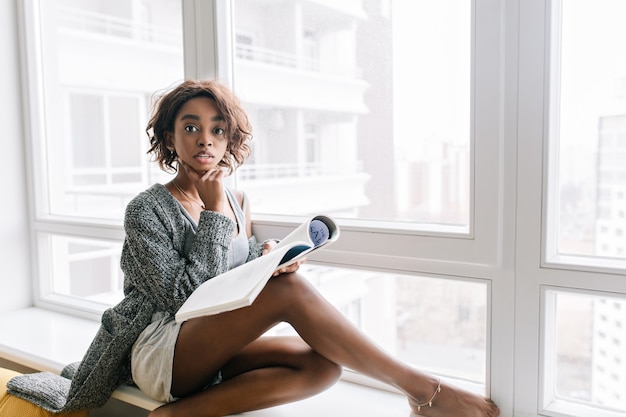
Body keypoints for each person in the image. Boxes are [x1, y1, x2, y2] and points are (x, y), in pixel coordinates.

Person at [8, 79, 500, 417]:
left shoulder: (238, 199)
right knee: (292, 296)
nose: (206, 139)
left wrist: (264, 260)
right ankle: (425, 392)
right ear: (169, 137)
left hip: (209, 352)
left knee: (321, 364)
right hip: (159, 349)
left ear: (230, 139)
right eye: (191, 126)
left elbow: (225, 279)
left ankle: (179, 416)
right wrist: (217, 207)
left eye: (217, 128)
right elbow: (184, 298)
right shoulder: (147, 209)